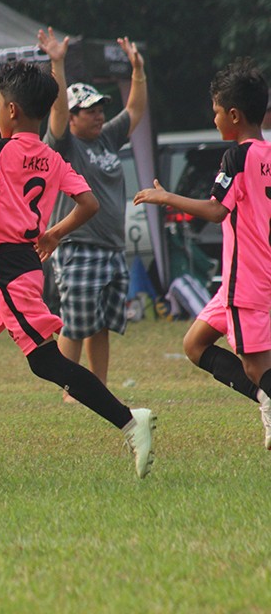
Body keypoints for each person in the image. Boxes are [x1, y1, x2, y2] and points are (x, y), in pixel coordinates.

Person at [0, 60, 156, 481]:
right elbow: (90, 204)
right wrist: (53, 234)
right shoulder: (50, 156)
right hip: (15, 267)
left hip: (8, 269)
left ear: (10, 110)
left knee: (44, 362)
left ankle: (128, 420)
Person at [134, 58, 271, 449]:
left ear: (233, 114)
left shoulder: (238, 157)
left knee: (256, 365)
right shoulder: (268, 154)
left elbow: (216, 210)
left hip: (245, 274)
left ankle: (268, 397)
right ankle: (266, 398)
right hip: (245, 275)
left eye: (215, 112)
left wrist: (165, 197)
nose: (213, 120)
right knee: (195, 344)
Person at [38, 28, 147, 401]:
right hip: (77, 245)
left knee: (99, 324)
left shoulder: (106, 137)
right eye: (91, 111)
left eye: (101, 109)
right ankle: (69, 390)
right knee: (74, 321)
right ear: (72, 117)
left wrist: (137, 71)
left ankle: (96, 389)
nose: (100, 115)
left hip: (111, 247)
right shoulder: (63, 144)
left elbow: (134, 110)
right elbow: (55, 109)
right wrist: (57, 62)